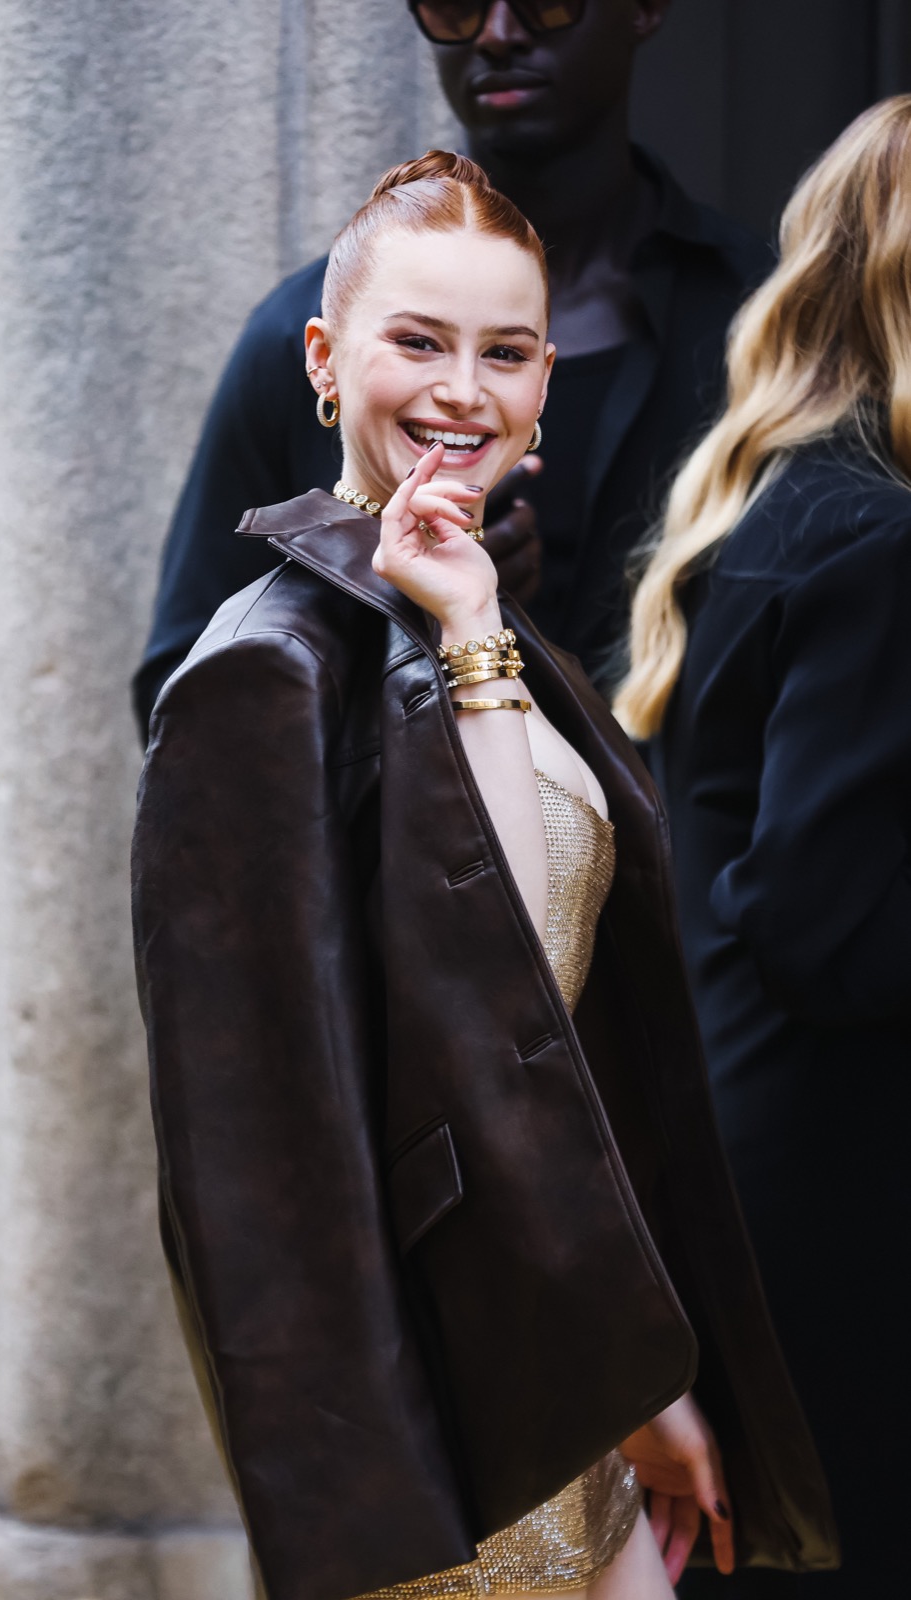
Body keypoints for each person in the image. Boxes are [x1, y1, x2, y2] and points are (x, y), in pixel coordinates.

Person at [132, 152, 836, 1600]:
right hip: (443, 1423)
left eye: (505, 352)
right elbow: (266, 1167)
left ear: (543, 384)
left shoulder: (483, 624)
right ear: (322, 361)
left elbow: (545, 1028)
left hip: (553, 1366)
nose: (463, 391)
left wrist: (630, 1374)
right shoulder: (263, 672)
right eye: (417, 341)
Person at [131, 0, 772, 738]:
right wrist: (402, 608)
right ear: (323, 362)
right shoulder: (293, 332)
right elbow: (187, 696)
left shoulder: (760, 320)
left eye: (546, 1)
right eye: (455, 5)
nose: (497, 33)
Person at [616, 96, 911, 1598]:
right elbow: (818, 926)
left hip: (750, 1171)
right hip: (837, 1212)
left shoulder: (781, 503)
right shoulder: (877, 534)